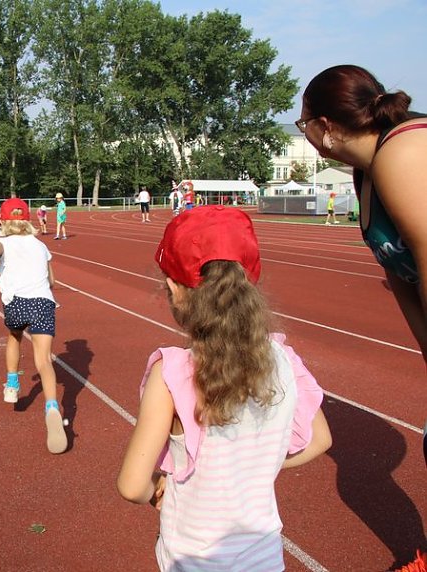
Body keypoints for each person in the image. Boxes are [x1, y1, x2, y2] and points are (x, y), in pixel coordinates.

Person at [117, 206, 332, 570]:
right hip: (265, 559)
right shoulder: (283, 359)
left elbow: (132, 485)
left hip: (193, 559)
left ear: (174, 289)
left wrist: (157, 487)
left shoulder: (172, 373)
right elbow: (319, 440)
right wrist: (253, 471)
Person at [300, 67, 427, 567]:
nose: (304, 133)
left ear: (325, 125)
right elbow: (401, 276)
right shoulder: (365, 169)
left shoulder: (404, 152)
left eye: (302, 122)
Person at [0, 198, 67, 454]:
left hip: (17, 303)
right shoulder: (41, 245)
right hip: (43, 302)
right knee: (44, 360)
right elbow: (52, 280)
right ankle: (52, 406)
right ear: (28, 220)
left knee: (14, 336)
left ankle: (12, 384)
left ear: (1, 221)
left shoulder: (3, 242)